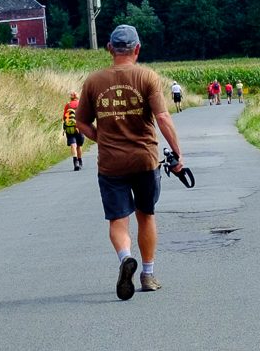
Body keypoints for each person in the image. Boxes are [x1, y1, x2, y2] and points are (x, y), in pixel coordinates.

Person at [75, 25, 186, 301]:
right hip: (145, 159)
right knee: (146, 215)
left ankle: (126, 258)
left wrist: (102, 138)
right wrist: (178, 153)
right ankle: (147, 275)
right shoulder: (147, 76)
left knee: (117, 219)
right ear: (137, 49)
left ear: (110, 49)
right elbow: (162, 118)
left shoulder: (93, 81)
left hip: (111, 163)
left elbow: (80, 122)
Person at [63, 91, 85, 171]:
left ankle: (75, 162)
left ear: (71, 97)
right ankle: (80, 161)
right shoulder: (81, 104)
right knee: (79, 146)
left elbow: (64, 118)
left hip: (70, 128)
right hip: (80, 127)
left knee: (73, 145)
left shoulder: (68, 105)